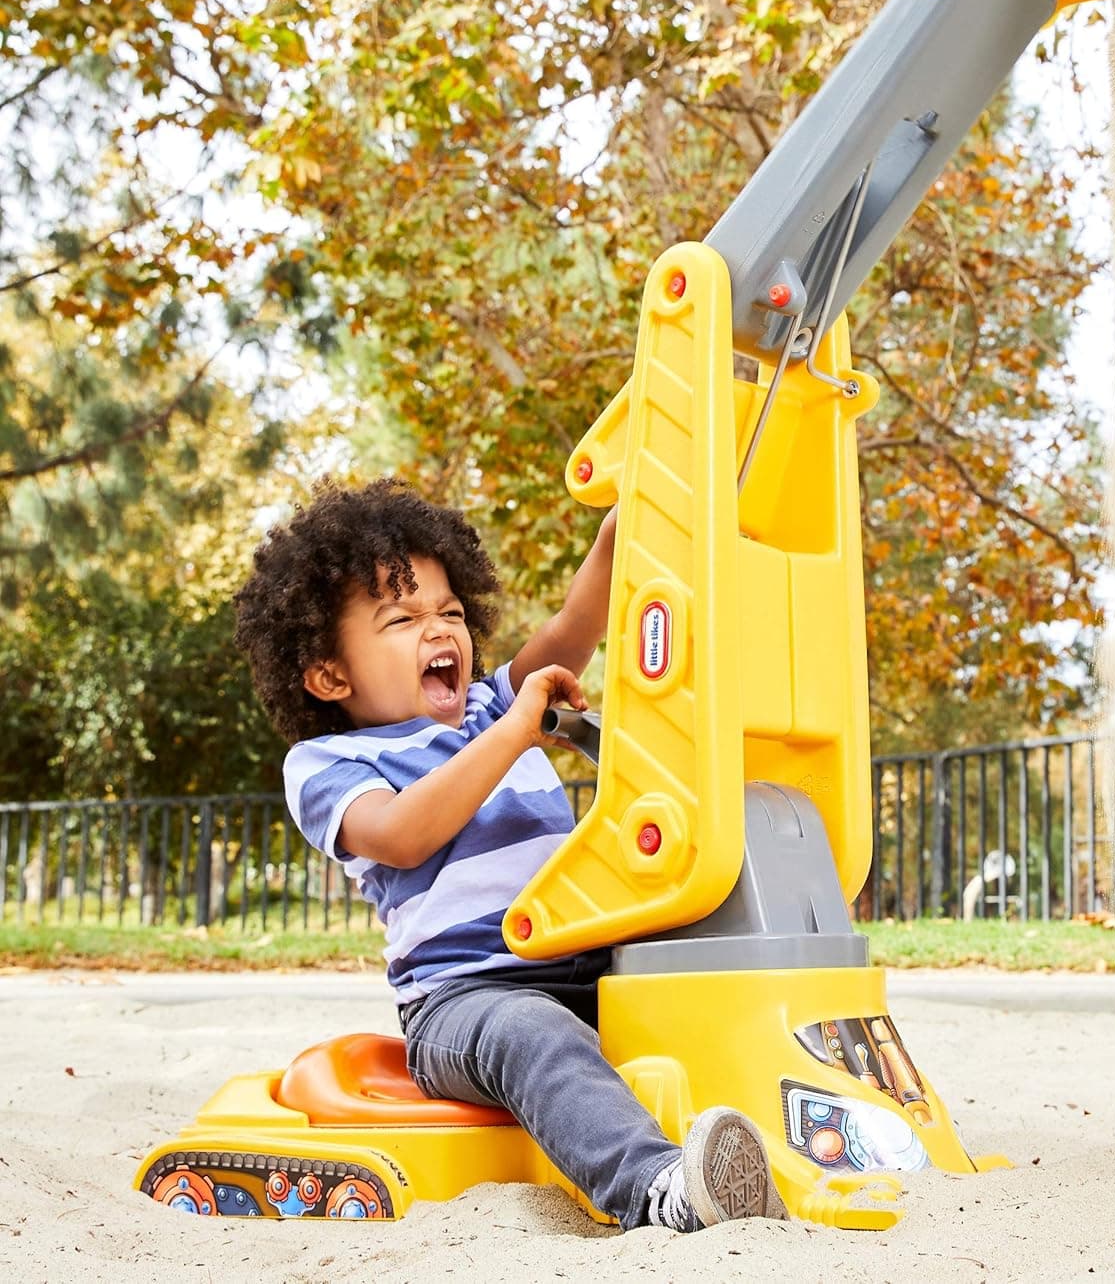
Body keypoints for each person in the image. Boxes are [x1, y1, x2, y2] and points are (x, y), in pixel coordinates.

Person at [233, 478, 784, 1231]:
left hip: (587, 965)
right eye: (403, 619)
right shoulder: (331, 764)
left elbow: (572, 627)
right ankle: (659, 1192)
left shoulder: (492, 706)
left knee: (698, 970)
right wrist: (514, 730)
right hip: (465, 1002)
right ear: (331, 674)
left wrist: (614, 545)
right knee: (535, 1035)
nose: (440, 631)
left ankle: (774, 1147)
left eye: (452, 613)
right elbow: (402, 834)